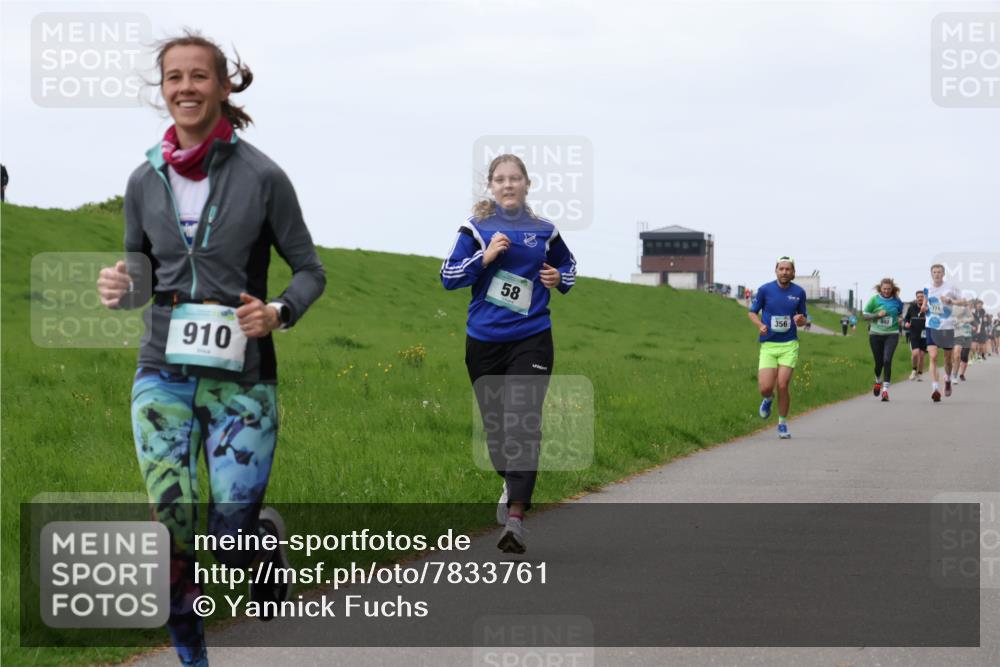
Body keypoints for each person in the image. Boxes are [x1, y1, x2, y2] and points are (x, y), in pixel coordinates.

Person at [96, 32, 325, 667]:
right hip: (161, 373)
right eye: (174, 77)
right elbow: (143, 276)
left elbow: (310, 270)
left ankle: (259, 542)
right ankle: (193, 662)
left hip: (241, 381)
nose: (186, 88)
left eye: (200, 76)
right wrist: (122, 287)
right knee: (170, 535)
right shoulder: (144, 179)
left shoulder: (263, 177)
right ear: (162, 89)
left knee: (227, 538)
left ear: (226, 87)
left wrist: (276, 311)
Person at [441, 153, 576, 554]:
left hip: (532, 337)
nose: (508, 185)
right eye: (500, 179)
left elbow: (568, 267)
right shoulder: (476, 228)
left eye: (515, 178)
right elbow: (448, 276)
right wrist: (485, 257)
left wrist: (557, 278)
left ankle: (516, 520)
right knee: (498, 432)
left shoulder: (544, 231)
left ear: (526, 184)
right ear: (492, 186)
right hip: (483, 341)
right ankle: (511, 479)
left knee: (523, 422)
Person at [747, 257, 809, 439]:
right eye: (781, 269)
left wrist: (801, 320)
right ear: (776, 271)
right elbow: (752, 312)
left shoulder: (799, 292)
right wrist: (760, 325)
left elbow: (803, 318)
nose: (784, 272)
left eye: (787, 269)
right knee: (766, 388)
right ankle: (767, 399)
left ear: (793, 272)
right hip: (768, 344)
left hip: (789, 344)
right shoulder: (765, 290)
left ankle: (782, 423)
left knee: (782, 384)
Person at [921, 263, 966, 402]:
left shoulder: (951, 287)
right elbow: (925, 302)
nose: (937, 274)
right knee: (933, 357)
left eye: (939, 272)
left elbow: (964, 302)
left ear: (943, 273)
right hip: (931, 326)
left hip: (947, 327)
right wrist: (923, 306)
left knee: (947, 359)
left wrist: (950, 301)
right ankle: (935, 388)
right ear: (931, 274)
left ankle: (947, 379)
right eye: (934, 272)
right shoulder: (927, 288)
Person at [862, 278, 904, 401]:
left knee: (887, 360)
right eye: (884, 289)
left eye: (888, 289)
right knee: (878, 362)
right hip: (875, 334)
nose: (886, 291)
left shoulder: (897, 301)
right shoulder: (874, 300)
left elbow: (900, 313)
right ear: (880, 288)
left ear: (892, 289)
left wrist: (900, 319)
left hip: (892, 334)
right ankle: (877, 381)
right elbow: (864, 315)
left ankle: (885, 391)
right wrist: (877, 315)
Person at [903, 290, 927, 380]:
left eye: (922, 297)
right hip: (914, 334)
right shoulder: (911, 308)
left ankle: (920, 374)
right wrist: (906, 323)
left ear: (925, 298)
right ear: (916, 298)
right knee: (915, 353)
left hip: (925, 335)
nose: (920, 298)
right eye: (918, 297)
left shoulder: (928, 309)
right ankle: (914, 370)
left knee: (921, 355)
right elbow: (906, 319)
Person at [953, 301, 974, 381]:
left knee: (964, 356)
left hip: (967, 337)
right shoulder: (956, 314)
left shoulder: (971, 316)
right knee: (957, 355)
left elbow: (976, 324)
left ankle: (961, 374)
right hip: (958, 336)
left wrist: (970, 324)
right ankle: (954, 372)